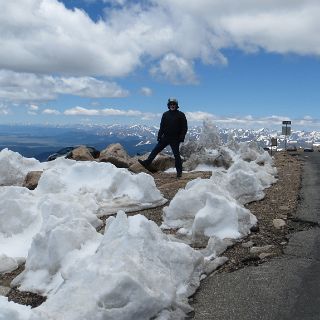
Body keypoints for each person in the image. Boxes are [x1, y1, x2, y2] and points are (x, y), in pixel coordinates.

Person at [139, 98, 188, 178]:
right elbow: (162, 126)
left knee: (176, 155)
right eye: (171, 104)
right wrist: (159, 135)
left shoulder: (181, 115)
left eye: (174, 104)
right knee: (155, 150)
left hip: (175, 139)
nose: (172, 106)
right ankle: (147, 162)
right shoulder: (165, 114)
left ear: (176, 105)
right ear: (168, 105)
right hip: (165, 137)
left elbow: (184, 127)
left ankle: (179, 172)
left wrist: (182, 137)